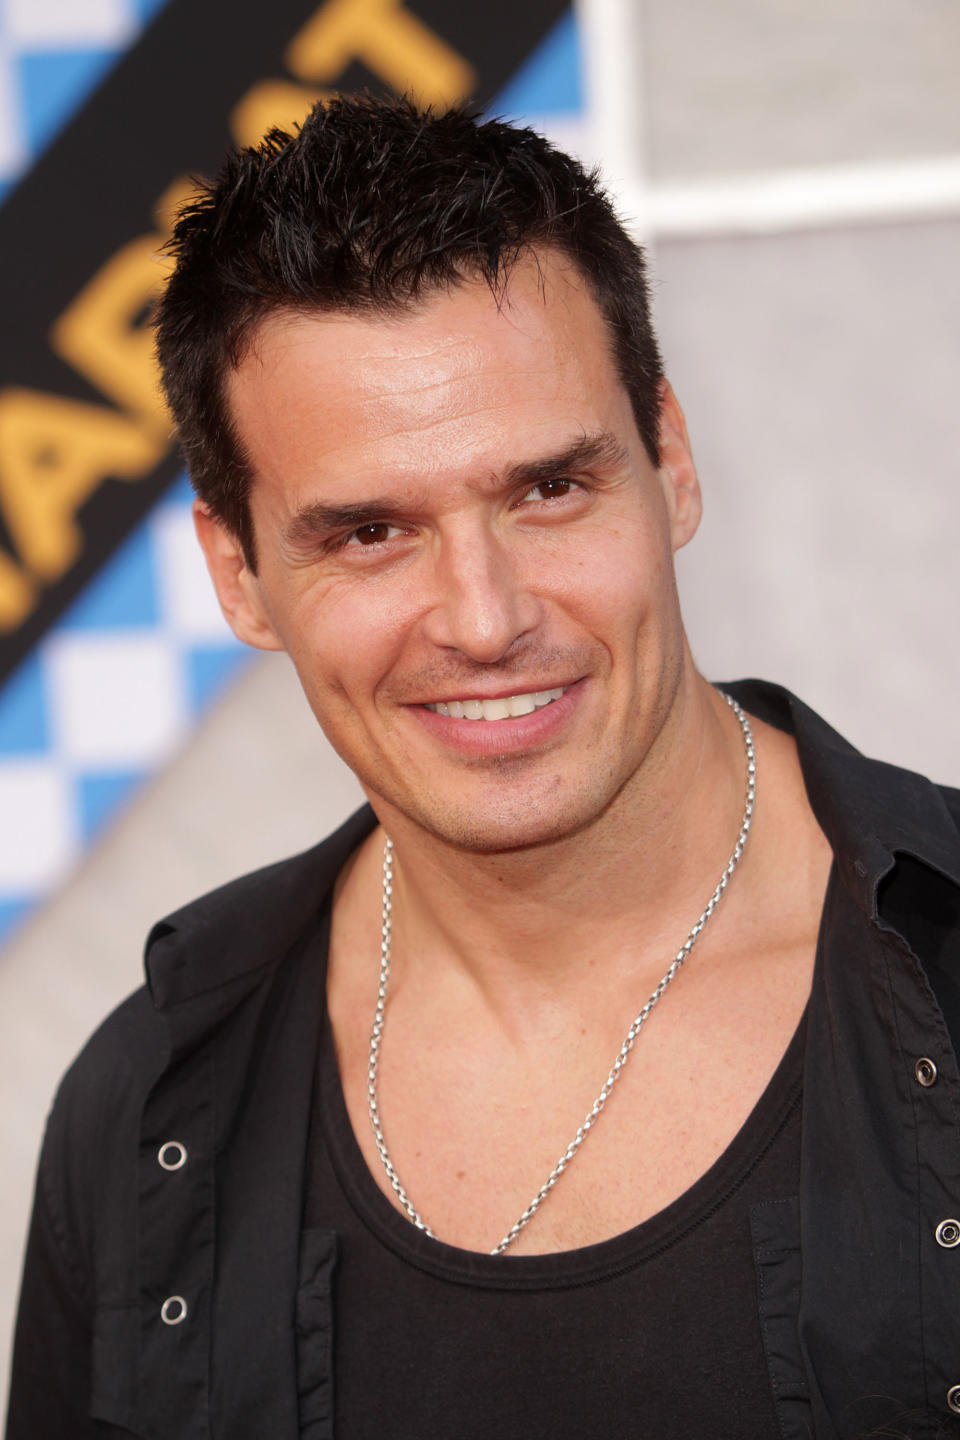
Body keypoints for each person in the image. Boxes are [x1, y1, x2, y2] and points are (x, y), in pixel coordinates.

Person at [6, 95, 960, 1440]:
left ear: (669, 461)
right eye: (370, 532)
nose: (485, 615)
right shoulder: (153, 1108)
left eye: (547, 491)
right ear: (240, 576)